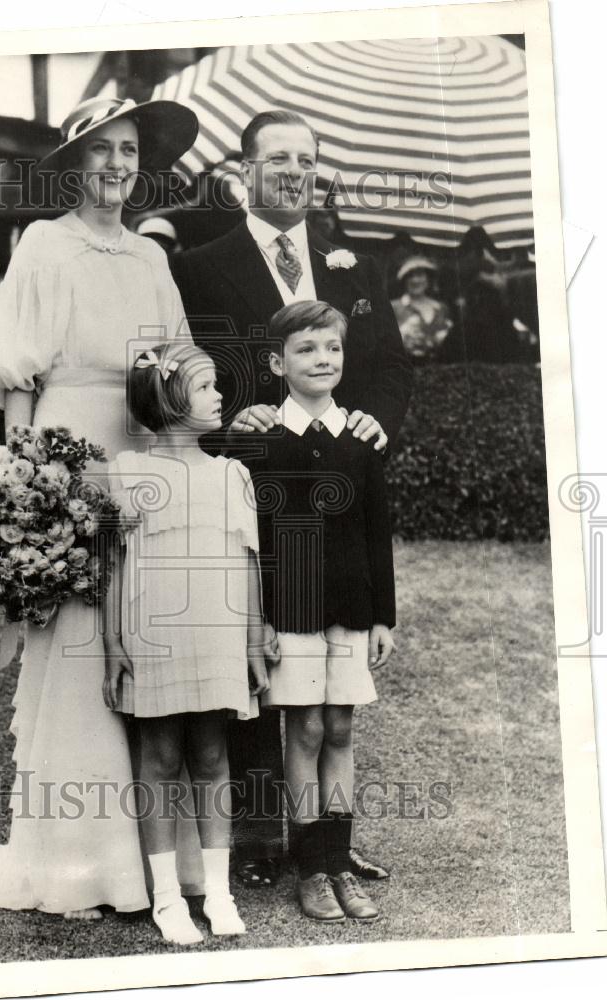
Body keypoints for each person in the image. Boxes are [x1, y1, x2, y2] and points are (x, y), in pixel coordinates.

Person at [0, 95, 200, 920]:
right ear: (73, 165)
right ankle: (76, 860)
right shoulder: (44, 244)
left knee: (140, 645)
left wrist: (173, 468)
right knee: (76, 645)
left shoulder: (149, 256)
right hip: (64, 459)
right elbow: (18, 378)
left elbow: (174, 375)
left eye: (129, 152)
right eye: (101, 152)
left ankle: (156, 858)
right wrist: (20, 486)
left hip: (138, 457)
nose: (116, 166)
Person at [170, 108, 411, 886]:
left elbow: (389, 369)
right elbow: (186, 365)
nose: (294, 172)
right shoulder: (202, 265)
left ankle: (325, 843)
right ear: (244, 171)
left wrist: (374, 425)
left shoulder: (353, 269)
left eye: (306, 160)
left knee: (329, 668)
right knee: (261, 653)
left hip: (336, 488)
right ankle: (259, 836)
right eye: (277, 159)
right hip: (249, 485)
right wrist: (226, 415)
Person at [230, 301, 396, 921]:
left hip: (351, 608)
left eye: (332, 348)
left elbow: (377, 532)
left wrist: (384, 616)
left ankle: (339, 861)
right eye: (306, 349)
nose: (322, 359)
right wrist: (262, 618)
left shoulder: (361, 438)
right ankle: (311, 869)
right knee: (302, 730)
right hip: (290, 611)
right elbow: (257, 538)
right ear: (277, 362)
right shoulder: (261, 440)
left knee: (341, 729)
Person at [103, 341, 268, 944]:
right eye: (205, 388)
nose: (220, 395)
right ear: (171, 403)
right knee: (160, 759)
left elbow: (248, 563)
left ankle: (218, 892)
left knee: (211, 755)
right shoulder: (128, 472)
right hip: (155, 633)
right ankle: (167, 897)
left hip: (216, 631)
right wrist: (114, 640)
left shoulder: (231, 472)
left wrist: (253, 637)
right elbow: (114, 565)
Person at [391, 256, 452, 362]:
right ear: (404, 280)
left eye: (420, 275)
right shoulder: (394, 307)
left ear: (428, 278)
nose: (415, 280)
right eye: (410, 276)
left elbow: (449, 343)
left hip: (438, 369)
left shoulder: (441, 308)